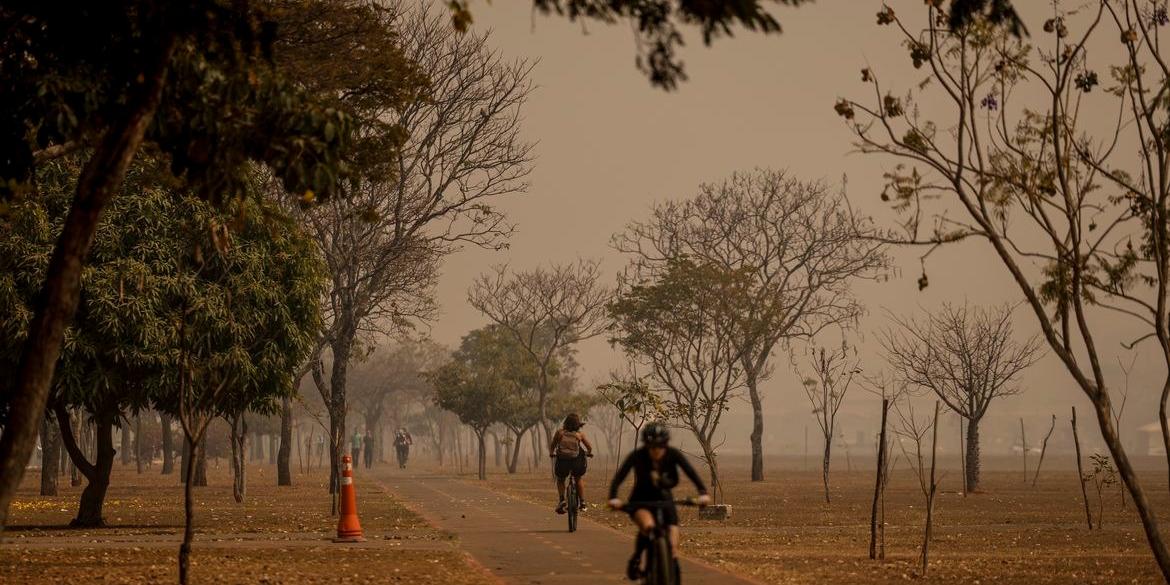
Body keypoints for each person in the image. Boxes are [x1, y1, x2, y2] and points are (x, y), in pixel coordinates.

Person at [607, 422, 710, 581]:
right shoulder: (637, 456)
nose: (656, 450)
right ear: (646, 445)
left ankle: (673, 569)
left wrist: (703, 493)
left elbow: (690, 472)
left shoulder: (673, 454)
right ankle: (637, 557)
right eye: (652, 446)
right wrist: (613, 498)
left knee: (672, 544)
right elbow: (618, 478)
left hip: (665, 501)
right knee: (648, 527)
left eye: (660, 446)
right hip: (640, 501)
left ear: (666, 444)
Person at [549, 413, 594, 514]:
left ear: (565, 422)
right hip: (576, 462)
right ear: (578, 424)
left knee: (560, 479)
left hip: (562, 462)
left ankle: (562, 500)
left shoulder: (560, 433)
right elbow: (589, 447)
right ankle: (582, 502)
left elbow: (553, 445)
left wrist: (551, 453)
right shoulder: (579, 435)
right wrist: (589, 453)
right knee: (578, 478)